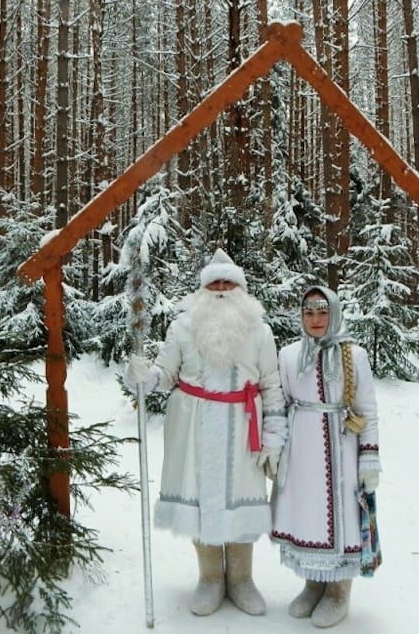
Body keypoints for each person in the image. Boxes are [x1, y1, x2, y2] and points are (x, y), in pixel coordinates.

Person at [125, 248, 288, 617]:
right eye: (214, 283)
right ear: (202, 288)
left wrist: (273, 437)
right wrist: (142, 376)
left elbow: (271, 385)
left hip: (242, 428)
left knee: (241, 498)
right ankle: (211, 578)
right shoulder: (182, 327)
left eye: (228, 282)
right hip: (193, 429)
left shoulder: (260, 331)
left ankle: (242, 579)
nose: (221, 289)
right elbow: (165, 374)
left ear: (240, 289)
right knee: (198, 496)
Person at [262, 285, 381, 628]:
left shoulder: (354, 355)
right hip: (302, 450)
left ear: (335, 313)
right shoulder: (288, 355)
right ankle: (313, 583)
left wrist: (369, 458)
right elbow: (280, 404)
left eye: (322, 312)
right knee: (306, 514)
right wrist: (275, 448)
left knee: (341, 517)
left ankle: (338, 591)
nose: (315, 320)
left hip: (342, 451)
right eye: (308, 312)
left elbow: (368, 410)